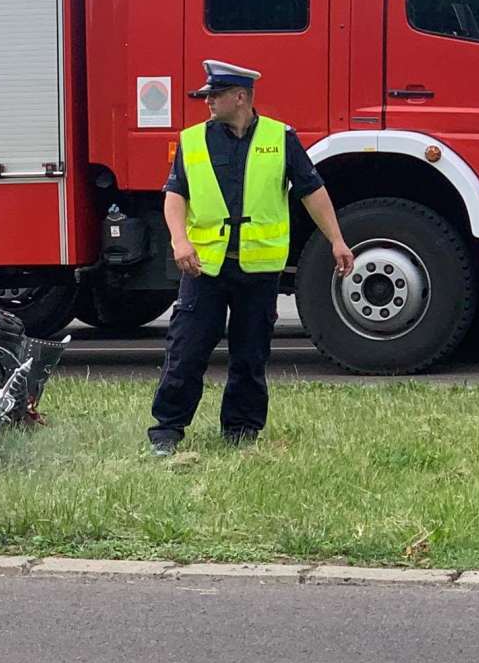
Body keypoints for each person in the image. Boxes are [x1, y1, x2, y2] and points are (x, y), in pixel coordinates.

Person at [148, 59, 355, 457]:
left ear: (240, 97)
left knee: (250, 354)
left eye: (216, 95)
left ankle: (241, 432)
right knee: (187, 349)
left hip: (258, 268)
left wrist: (337, 240)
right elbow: (175, 196)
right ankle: (167, 431)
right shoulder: (192, 141)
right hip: (205, 266)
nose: (208, 101)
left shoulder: (281, 138)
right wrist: (179, 241)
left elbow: (313, 191)